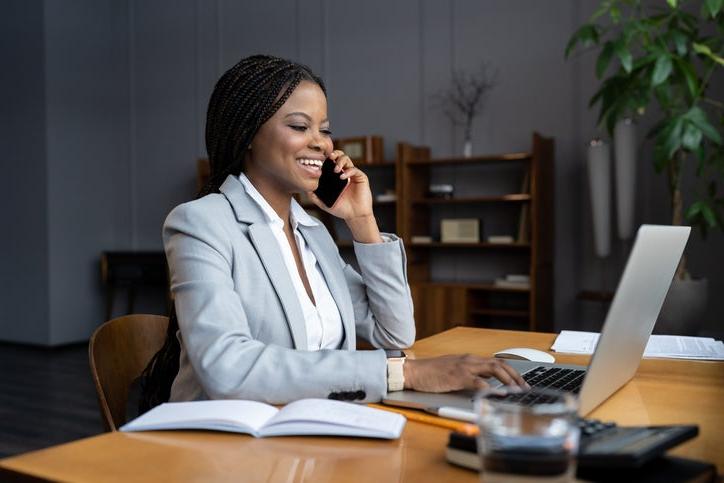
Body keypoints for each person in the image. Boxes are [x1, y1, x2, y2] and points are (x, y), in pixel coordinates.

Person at [140, 55, 526, 410]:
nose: (321, 143)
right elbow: (226, 367)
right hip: (224, 446)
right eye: (298, 126)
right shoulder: (201, 223)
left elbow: (394, 332)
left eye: (324, 130)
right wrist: (402, 373)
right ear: (248, 135)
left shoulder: (313, 233)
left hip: (309, 428)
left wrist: (362, 220)